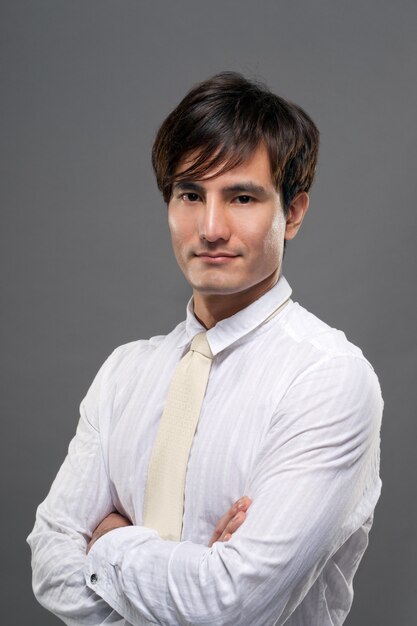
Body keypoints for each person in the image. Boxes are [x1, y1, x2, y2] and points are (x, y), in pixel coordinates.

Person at [27, 72, 383, 626]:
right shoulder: (125, 372)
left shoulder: (327, 378)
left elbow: (231, 607)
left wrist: (108, 543)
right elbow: (49, 565)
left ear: (292, 213)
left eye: (241, 196)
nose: (210, 227)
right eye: (190, 195)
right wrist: (197, 567)